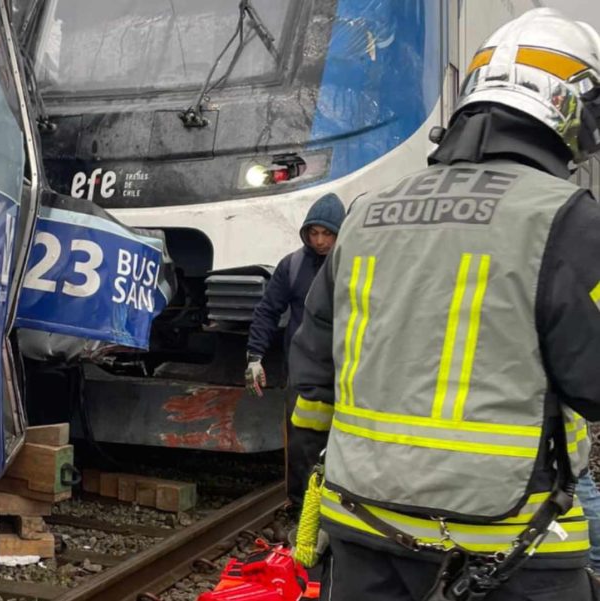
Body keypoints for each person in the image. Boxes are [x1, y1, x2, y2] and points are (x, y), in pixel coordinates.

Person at [287, 9, 600, 600]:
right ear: (574, 114)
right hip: (512, 548)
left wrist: (312, 507)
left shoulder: (366, 215)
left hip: (363, 534)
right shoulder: (567, 220)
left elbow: (310, 389)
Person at [244, 192, 344, 398]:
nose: (319, 241)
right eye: (314, 233)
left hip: (341, 369)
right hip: (300, 370)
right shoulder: (292, 266)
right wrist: (255, 357)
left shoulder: (352, 264)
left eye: (327, 233)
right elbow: (268, 311)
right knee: (297, 426)